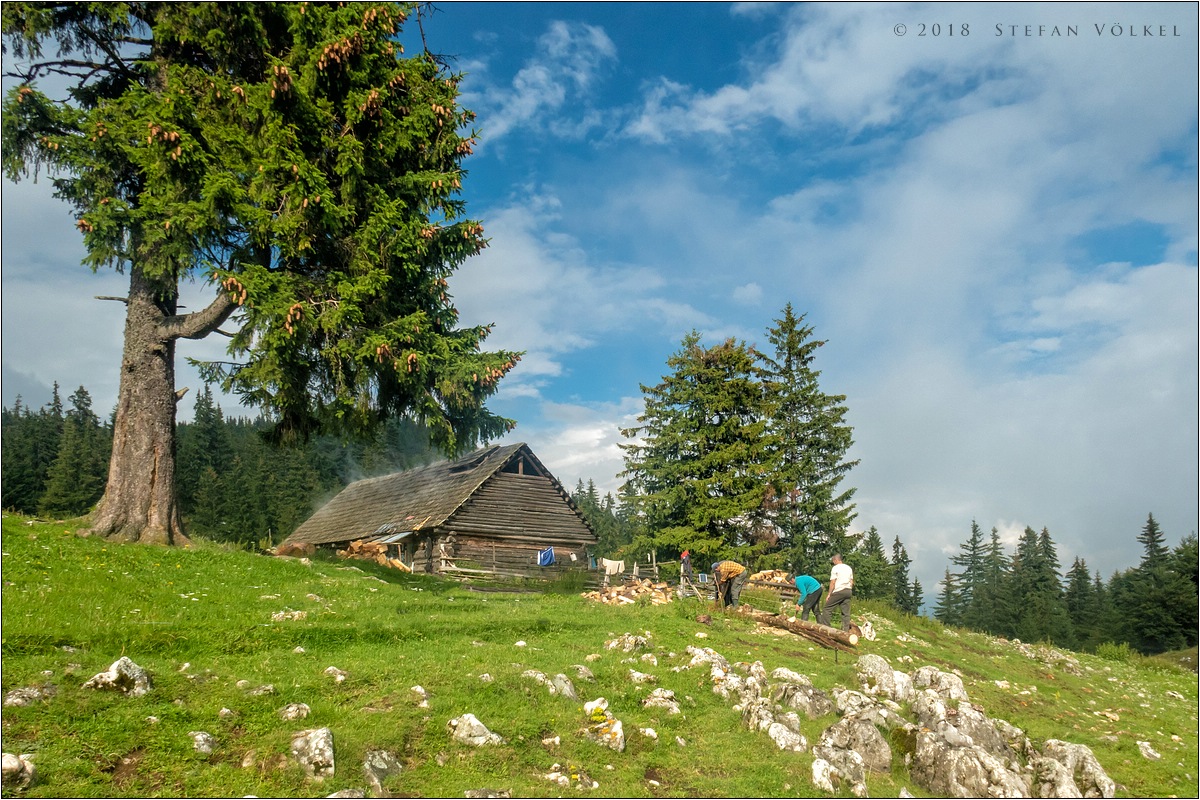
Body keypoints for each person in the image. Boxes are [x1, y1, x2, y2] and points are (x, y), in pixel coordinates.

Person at [819, 553, 854, 630]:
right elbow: (851, 581)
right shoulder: (848, 568)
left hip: (839, 590)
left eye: (833, 560)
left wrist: (829, 594)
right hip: (848, 591)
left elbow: (833, 582)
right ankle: (845, 631)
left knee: (827, 608)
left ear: (836, 560)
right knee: (846, 613)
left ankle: (826, 628)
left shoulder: (835, 568)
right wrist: (849, 589)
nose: (833, 562)